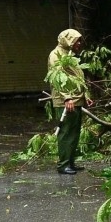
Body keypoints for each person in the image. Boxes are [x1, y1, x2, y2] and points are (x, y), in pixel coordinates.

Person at [45, 28, 90, 174]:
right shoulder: (55, 55)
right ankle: (63, 165)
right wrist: (67, 98)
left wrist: (86, 95)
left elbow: (78, 77)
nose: (79, 44)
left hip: (76, 100)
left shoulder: (70, 55)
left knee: (74, 132)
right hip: (66, 101)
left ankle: (70, 162)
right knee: (65, 133)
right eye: (77, 41)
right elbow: (57, 79)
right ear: (68, 40)